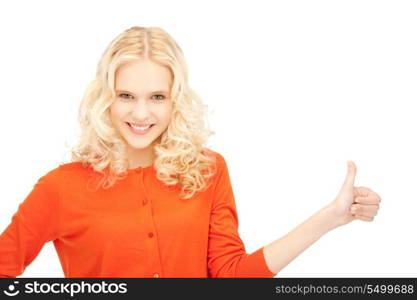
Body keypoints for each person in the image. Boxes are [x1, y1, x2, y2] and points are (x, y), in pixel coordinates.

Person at [0, 26, 381, 278]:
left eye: (157, 97)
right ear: (105, 98)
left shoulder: (208, 171)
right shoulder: (60, 187)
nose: (141, 113)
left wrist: (330, 218)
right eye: (126, 96)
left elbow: (232, 278)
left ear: (175, 101)